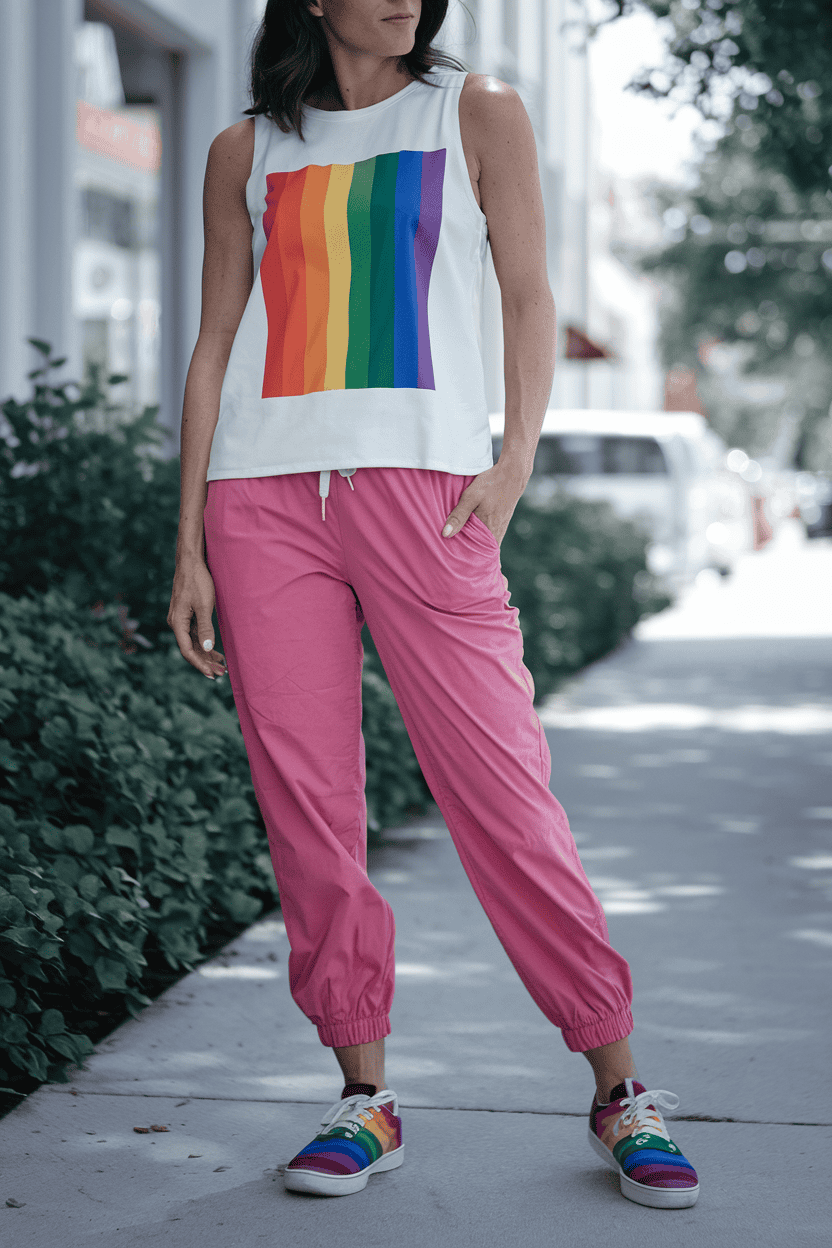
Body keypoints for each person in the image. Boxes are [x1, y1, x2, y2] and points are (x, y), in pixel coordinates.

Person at [167, 0, 699, 1209]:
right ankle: (364, 1096)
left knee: (504, 794)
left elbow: (527, 297)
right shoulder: (247, 150)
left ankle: (619, 1087)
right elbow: (211, 345)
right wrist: (188, 538)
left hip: (427, 495)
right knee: (310, 809)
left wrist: (511, 462)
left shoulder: (478, 111)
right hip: (260, 502)